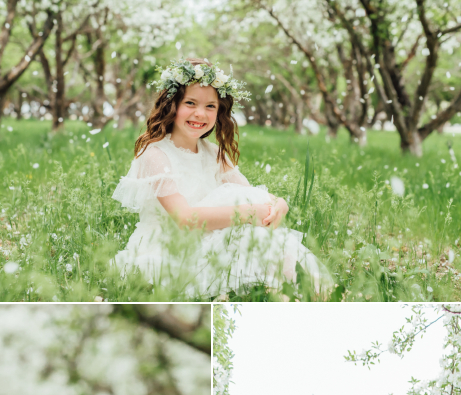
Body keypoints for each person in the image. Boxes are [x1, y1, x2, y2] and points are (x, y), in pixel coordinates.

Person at [112, 59, 331, 297]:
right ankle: (287, 290)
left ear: (220, 112)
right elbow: (185, 220)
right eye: (190, 103)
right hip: (169, 246)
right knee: (245, 220)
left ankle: (302, 290)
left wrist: (279, 203)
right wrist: (247, 213)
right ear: (171, 105)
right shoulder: (156, 155)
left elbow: (250, 192)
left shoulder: (214, 153)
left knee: (248, 217)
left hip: (204, 238)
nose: (199, 113)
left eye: (210, 107)